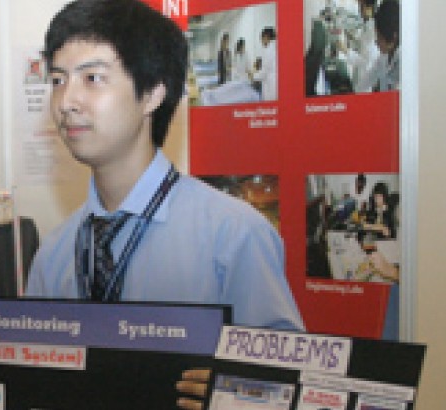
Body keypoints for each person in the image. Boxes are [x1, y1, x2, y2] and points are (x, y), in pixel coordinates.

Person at [26, 0, 302, 408]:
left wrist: (235, 393)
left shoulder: (233, 235)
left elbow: (286, 385)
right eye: (57, 80)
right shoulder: (55, 253)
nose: (67, 101)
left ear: (153, 93)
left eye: (93, 78)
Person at [253, 27, 278, 101]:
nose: (261, 41)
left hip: (271, 84)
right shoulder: (273, 48)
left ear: (266, 37)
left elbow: (264, 71)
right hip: (272, 81)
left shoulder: (269, 51)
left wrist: (254, 76)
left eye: (261, 38)